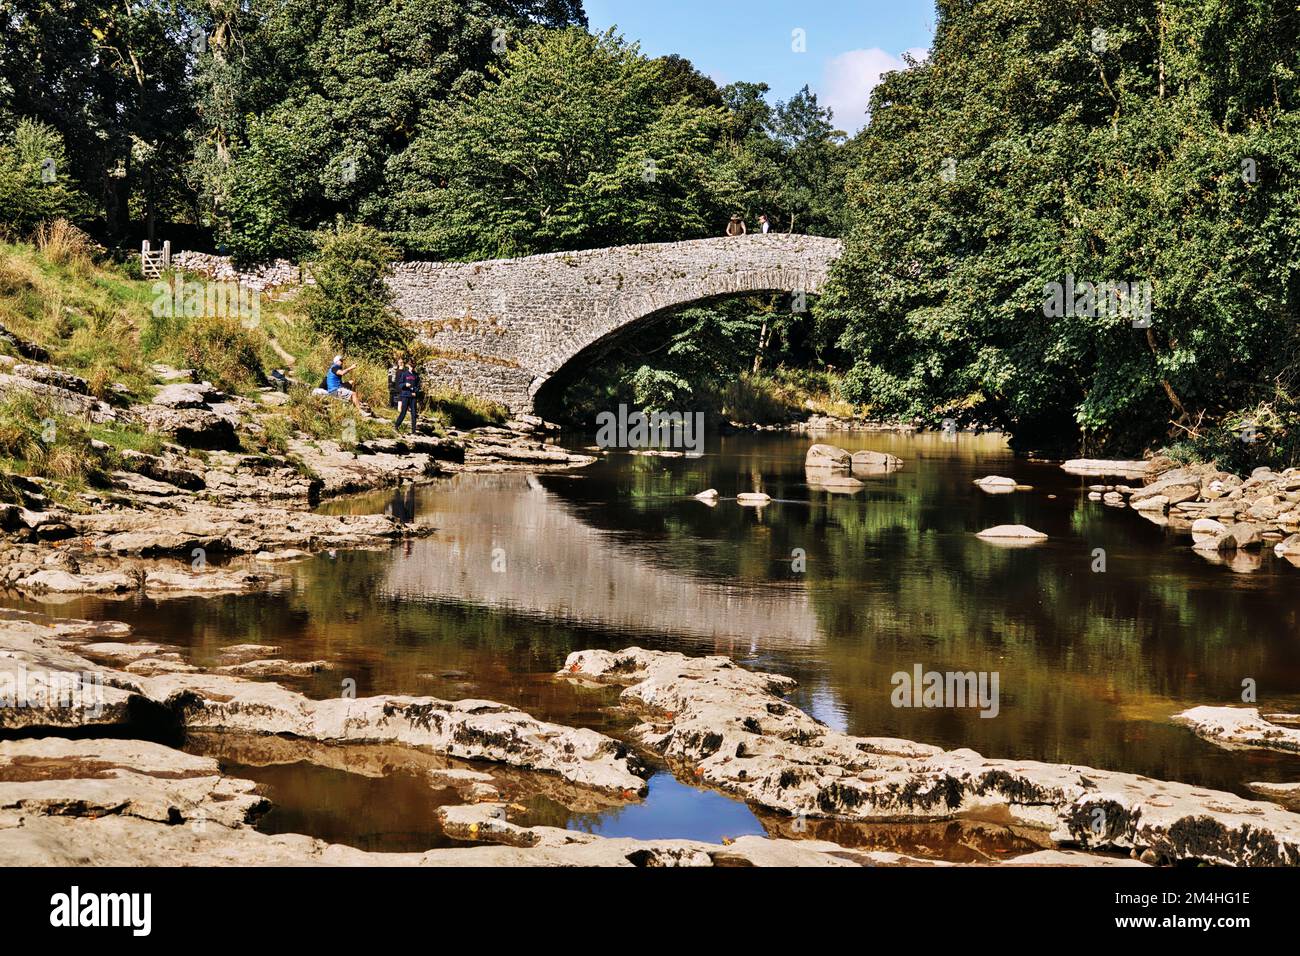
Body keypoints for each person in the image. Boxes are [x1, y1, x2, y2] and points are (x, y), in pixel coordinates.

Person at [394, 358, 421, 434]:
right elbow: (400, 384)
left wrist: (415, 391)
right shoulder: (404, 374)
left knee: (414, 413)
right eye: (411, 366)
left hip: (413, 397)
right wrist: (405, 384)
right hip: (405, 395)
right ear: (408, 366)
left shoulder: (416, 375)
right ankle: (396, 426)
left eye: (414, 367)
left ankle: (413, 431)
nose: (412, 368)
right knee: (403, 412)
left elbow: (418, 386)